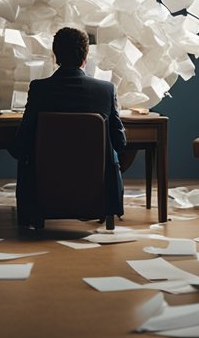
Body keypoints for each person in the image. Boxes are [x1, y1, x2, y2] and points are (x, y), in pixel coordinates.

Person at [10, 26, 127, 228]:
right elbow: (120, 142)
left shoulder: (39, 89)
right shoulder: (106, 90)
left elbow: (22, 144)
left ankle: (31, 213)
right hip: (93, 186)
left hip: (47, 186)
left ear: (55, 56)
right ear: (86, 56)